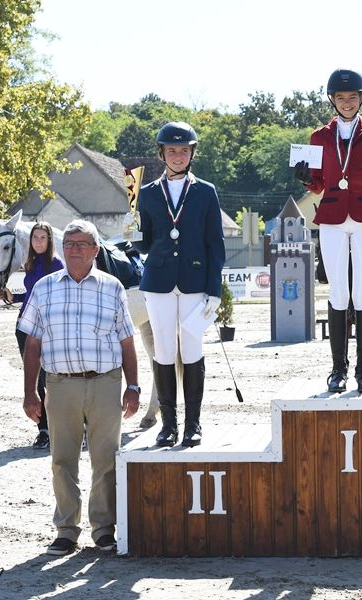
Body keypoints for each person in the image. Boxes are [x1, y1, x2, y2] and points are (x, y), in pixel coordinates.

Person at [18, 219, 141, 556]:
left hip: (105, 383)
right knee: (62, 460)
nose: (74, 249)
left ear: (95, 249)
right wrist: (30, 392)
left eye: (82, 243)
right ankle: (66, 530)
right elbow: (32, 344)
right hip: (60, 385)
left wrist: (133, 386)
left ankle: (103, 529)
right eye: (69, 243)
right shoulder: (44, 288)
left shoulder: (112, 288)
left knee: (106, 460)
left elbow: (127, 342)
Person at [293, 68, 362, 393]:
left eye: (352, 97)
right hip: (333, 217)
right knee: (338, 293)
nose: (347, 103)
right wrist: (305, 179)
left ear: (361, 99)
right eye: (340, 98)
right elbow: (318, 184)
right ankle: (338, 369)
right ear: (332, 100)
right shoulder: (320, 137)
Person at [136, 121, 225, 448]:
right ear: (162, 153)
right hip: (158, 280)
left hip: (194, 279)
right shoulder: (146, 193)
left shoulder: (206, 191)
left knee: (191, 349)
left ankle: (193, 424)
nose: (177, 156)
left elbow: (215, 244)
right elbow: (145, 243)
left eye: (183, 150)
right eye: (172, 150)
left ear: (191, 153)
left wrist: (214, 289)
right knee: (163, 349)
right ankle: (168, 425)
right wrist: (133, 231)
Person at [11, 222, 63, 450]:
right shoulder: (30, 264)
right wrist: (13, 297)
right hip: (25, 326)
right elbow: (31, 294)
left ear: (49, 240)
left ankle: (63, 428)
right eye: (35, 238)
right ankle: (43, 430)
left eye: (42, 238)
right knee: (34, 379)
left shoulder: (57, 265)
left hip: (48, 329)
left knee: (50, 379)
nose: (38, 242)